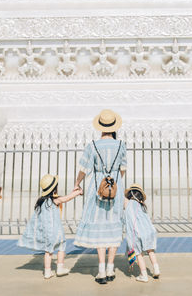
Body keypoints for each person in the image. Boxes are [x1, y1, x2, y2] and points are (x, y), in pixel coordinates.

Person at [73, 109, 127, 283]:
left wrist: (77, 184)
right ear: (114, 127)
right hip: (115, 188)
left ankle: (102, 270)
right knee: (113, 226)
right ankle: (111, 269)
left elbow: (83, 169)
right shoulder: (121, 145)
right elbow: (123, 169)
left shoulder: (92, 146)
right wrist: (113, 182)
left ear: (100, 127)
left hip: (97, 188)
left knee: (99, 227)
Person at [18, 173, 82, 279]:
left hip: (46, 232)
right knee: (61, 247)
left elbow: (64, 198)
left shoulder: (41, 201)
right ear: (54, 189)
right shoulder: (54, 200)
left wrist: (72, 193)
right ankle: (60, 268)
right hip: (56, 231)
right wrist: (78, 192)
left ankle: (47, 272)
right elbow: (66, 198)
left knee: (48, 251)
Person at [124, 183, 160, 282]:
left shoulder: (128, 203)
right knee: (150, 251)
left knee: (138, 254)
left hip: (137, 233)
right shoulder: (142, 205)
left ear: (130, 195)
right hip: (150, 231)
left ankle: (143, 275)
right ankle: (156, 269)